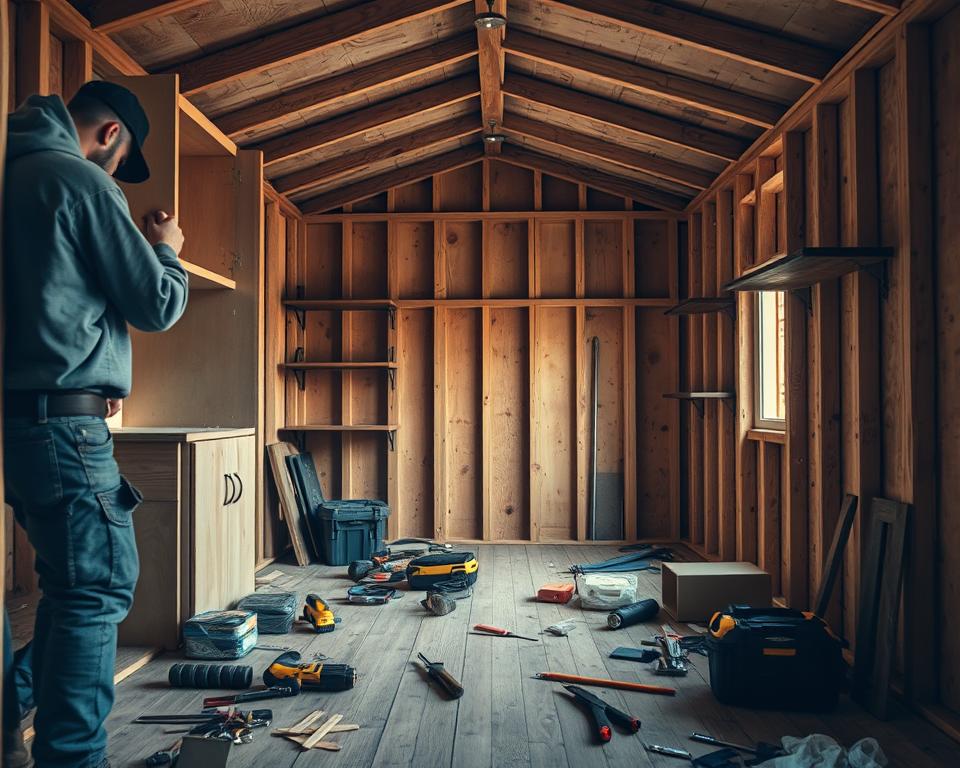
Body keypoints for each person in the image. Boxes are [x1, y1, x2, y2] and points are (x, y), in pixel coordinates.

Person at [2, 81, 189, 768]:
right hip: (65, 430)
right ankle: (72, 759)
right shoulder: (78, 181)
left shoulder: (13, 174)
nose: (116, 173)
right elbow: (158, 303)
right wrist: (165, 245)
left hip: (20, 422)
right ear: (109, 135)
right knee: (100, 585)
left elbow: (55, 301)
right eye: (121, 158)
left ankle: (14, 709)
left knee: (73, 582)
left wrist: (93, 364)